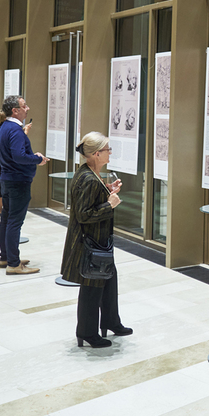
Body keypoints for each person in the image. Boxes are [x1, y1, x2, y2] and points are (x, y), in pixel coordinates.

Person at [61, 132, 129, 348]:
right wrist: (110, 204)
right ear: (97, 153)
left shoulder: (90, 173)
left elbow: (90, 201)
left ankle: (111, 321)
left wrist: (108, 192)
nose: (110, 152)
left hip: (97, 242)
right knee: (91, 286)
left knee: (109, 280)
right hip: (89, 243)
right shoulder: (88, 179)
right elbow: (84, 214)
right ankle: (87, 332)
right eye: (108, 149)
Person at [0, 95, 48, 274]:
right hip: (17, 181)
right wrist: (37, 159)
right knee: (14, 222)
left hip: (8, 179)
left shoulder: (4, 127)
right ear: (15, 110)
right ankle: (14, 264)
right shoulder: (15, 130)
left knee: (7, 219)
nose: (28, 109)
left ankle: (6, 257)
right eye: (24, 106)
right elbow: (18, 156)